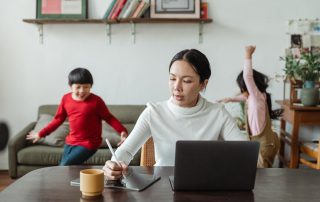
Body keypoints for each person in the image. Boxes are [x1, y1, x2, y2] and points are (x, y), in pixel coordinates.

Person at [103, 49, 249, 180]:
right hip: (162, 191)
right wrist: (113, 165)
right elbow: (126, 151)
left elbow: (246, 153)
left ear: (203, 84)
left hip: (206, 188)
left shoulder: (217, 113)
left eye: (186, 81)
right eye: (172, 78)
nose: (176, 87)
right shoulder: (153, 113)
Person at [26, 68, 128, 166]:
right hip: (71, 141)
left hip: (90, 143)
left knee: (64, 166)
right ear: (71, 86)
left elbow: (109, 118)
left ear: (91, 86)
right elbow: (58, 120)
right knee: (66, 169)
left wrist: (122, 131)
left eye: (86, 87)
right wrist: (41, 133)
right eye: (78, 87)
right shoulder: (66, 99)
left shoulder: (96, 101)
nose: (82, 90)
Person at [219, 46, 281, 168]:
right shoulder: (258, 97)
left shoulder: (256, 95)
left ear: (248, 87)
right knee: (260, 174)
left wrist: (248, 55)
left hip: (263, 145)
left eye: (241, 88)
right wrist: (230, 99)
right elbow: (244, 98)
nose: (241, 92)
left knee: (261, 176)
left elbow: (248, 76)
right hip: (264, 142)